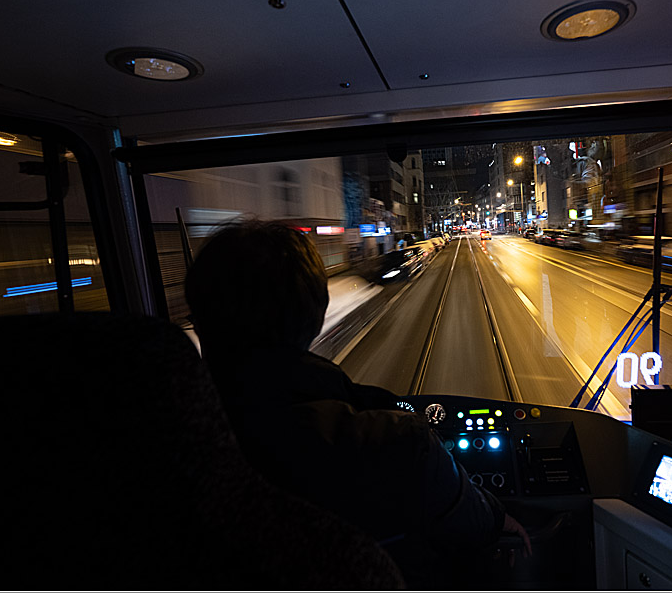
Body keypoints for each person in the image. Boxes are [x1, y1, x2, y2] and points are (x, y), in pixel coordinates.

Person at [185, 218, 530, 586]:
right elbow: (470, 524)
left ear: (200, 322)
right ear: (315, 315)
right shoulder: (393, 443)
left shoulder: (165, 449)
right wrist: (497, 516)